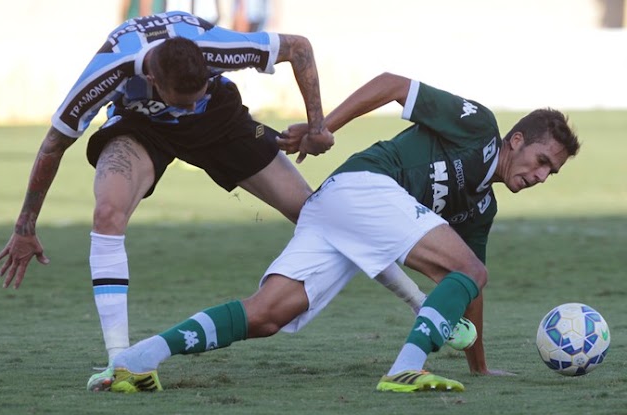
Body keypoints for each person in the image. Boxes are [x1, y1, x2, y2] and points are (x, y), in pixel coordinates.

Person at [0, 12, 425, 392]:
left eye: (198, 91)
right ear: (154, 82)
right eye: (186, 99)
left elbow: (298, 47)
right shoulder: (110, 72)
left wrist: (317, 125)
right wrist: (25, 226)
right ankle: (119, 362)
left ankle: (420, 306)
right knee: (107, 211)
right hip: (140, 126)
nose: (191, 102)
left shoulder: (216, 50)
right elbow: (52, 144)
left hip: (221, 122)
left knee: (318, 211)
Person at [103, 72, 581, 393]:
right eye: (541, 161)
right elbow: (394, 85)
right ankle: (405, 368)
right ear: (516, 141)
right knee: (469, 268)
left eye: (551, 174)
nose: (540, 176)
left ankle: (138, 359)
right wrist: (322, 126)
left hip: (340, 212)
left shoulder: (481, 205)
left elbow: (466, 287)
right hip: (361, 186)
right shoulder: (479, 127)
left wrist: (478, 365)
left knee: (267, 315)